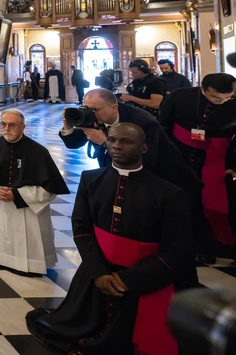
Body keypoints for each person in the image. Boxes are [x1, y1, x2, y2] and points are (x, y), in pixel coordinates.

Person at [27, 123, 193, 355]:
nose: (117, 146)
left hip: (144, 278)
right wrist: (98, 272)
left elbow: (175, 248)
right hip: (96, 271)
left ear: (143, 148)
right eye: (112, 140)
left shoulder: (168, 193)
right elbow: (81, 228)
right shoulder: (90, 179)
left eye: (126, 141)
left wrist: (129, 279)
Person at [0, 109, 69, 276]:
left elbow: (50, 189)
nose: (6, 129)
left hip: (28, 209)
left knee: (29, 239)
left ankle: (31, 265)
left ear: (23, 127)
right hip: (0, 205)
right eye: (3, 124)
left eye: (12, 125)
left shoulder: (38, 152)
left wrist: (17, 195)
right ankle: (1, 258)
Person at [59, 89, 202, 199]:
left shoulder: (142, 122)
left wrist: (104, 143)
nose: (90, 113)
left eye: (95, 109)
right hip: (119, 175)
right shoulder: (94, 118)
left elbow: (146, 161)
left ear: (114, 107)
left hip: (163, 179)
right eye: (86, 108)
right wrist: (68, 125)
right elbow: (74, 144)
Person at [159, 73, 236, 263]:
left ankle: (207, 247)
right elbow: (163, 125)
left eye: (227, 98)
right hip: (180, 156)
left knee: (210, 205)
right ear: (203, 89)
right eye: (215, 97)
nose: (221, 102)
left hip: (218, 161)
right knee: (182, 203)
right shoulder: (180, 95)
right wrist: (167, 155)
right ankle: (177, 246)